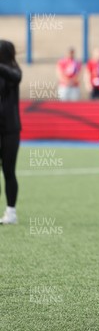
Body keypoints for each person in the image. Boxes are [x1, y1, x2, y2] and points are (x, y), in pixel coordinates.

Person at [0, 40, 22, 225]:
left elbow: (15, 77)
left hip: (10, 130)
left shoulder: (13, 72)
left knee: (9, 171)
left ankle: (11, 212)